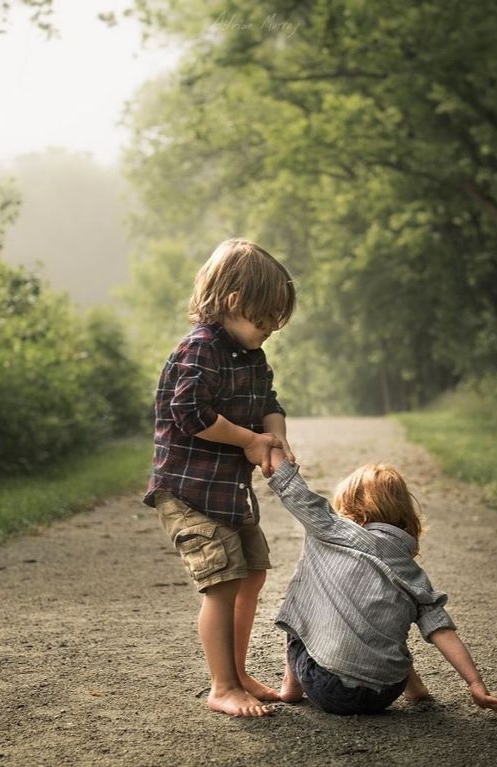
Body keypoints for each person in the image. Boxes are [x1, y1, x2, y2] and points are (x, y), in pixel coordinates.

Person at [143, 238, 296, 717]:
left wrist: (275, 439)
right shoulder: (199, 349)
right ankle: (222, 686)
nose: (270, 329)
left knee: (252, 573)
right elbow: (188, 412)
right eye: (265, 318)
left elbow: (269, 403)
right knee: (223, 581)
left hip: (228, 493)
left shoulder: (252, 356)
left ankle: (238, 671)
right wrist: (249, 442)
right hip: (189, 492)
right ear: (234, 304)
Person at [265, 452, 497, 720]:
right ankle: (414, 688)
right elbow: (441, 629)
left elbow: (299, 496)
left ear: (350, 505)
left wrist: (275, 455)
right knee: (381, 623)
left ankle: (290, 688)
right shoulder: (410, 570)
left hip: (331, 690)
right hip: (386, 692)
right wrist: (475, 683)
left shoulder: (334, 531)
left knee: (302, 608)